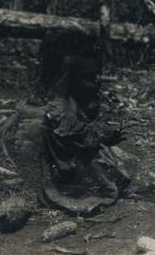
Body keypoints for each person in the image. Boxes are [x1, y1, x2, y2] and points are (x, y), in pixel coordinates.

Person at [37, 29, 129, 216]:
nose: (98, 81)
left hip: (77, 148)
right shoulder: (59, 108)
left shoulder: (78, 100)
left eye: (99, 74)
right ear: (67, 78)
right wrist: (102, 135)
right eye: (89, 77)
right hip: (65, 162)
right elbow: (76, 134)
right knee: (91, 176)